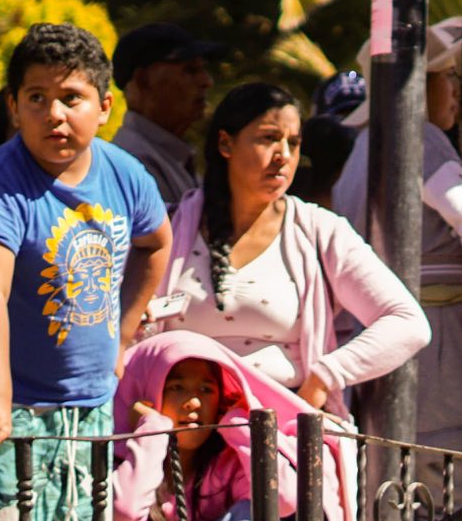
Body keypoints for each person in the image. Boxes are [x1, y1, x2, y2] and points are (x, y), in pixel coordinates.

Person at [0, 24, 174, 521]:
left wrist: (123, 332)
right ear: (14, 108)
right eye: (37, 99)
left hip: (84, 406)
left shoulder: (125, 173)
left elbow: (156, 243)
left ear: (104, 105)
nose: (54, 114)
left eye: (71, 98)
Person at [149, 83, 428, 409]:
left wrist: (326, 375)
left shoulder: (320, 231)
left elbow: (408, 323)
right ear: (225, 143)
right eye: (269, 138)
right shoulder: (168, 227)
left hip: (284, 441)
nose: (283, 155)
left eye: (293, 143)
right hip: (183, 446)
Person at [331, 17, 462, 507]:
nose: (456, 90)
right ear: (423, 84)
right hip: (435, 345)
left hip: (385, 345)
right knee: (446, 489)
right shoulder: (420, 136)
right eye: (449, 77)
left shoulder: (361, 146)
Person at [110, 329, 349, 521]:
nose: (193, 402)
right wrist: (152, 427)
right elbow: (126, 511)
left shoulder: (230, 461)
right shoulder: (124, 455)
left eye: (206, 390)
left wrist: (237, 423)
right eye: (176, 387)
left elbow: (282, 502)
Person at [111, 23, 222, 204]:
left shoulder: (171, 155)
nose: (206, 81)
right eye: (190, 70)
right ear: (143, 80)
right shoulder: (133, 162)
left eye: (203, 69)